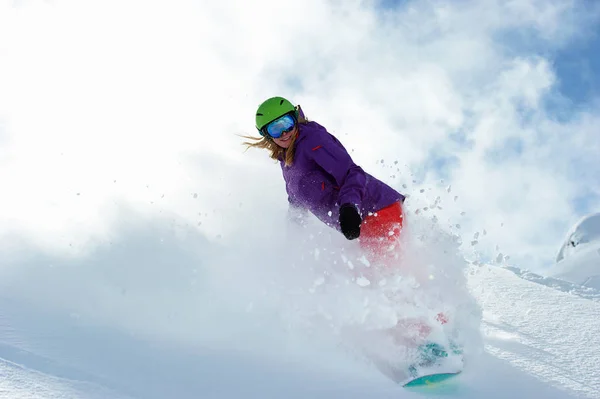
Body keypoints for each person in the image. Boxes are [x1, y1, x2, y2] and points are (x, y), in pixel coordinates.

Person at [244, 96, 407, 269]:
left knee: (381, 275)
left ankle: (413, 293)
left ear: (295, 118)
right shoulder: (287, 160)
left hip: (378, 209)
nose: (284, 132)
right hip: (366, 220)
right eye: (276, 129)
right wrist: (293, 233)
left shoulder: (313, 141)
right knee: (370, 275)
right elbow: (295, 197)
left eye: (286, 123)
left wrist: (349, 207)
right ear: (266, 135)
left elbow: (351, 172)